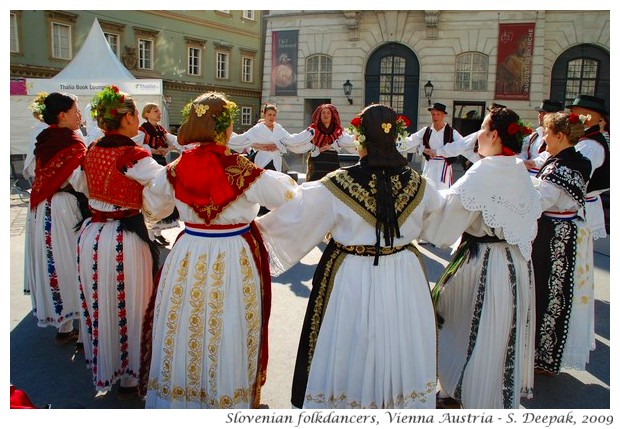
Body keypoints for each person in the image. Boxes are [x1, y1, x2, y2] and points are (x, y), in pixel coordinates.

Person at [257, 103, 443, 409]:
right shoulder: (419, 184)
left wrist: (251, 234)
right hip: (405, 273)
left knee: (351, 341)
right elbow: (441, 222)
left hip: (351, 274)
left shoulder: (338, 184)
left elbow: (298, 216)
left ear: (361, 140)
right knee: (400, 340)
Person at [144, 92, 299, 409]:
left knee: (186, 319)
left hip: (188, 250)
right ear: (226, 128)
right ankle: (225, 395)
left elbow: (153, 207)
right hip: (233, 253)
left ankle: (183, 396)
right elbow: (287, 194)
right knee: (228, 321)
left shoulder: (174, 169)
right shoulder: (242, 169)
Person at [426, 105, 542, 409]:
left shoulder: (484, 170)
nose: (477, 136)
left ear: (493, 134)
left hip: (484, 263)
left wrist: (422, 208)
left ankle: (461, 388)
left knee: (460, 321)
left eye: (482, 129)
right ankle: (478, 390)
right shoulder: (517, 168)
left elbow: (449, 212)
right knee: (497, 333)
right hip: (515, 264)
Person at [77, 85, 174, 399]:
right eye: (134, 114)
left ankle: (110, 367)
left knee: (102, 303)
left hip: (92, 235)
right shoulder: (132, 155)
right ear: (130, 118)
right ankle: (131, 377)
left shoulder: (92, 148)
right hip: (123, 238)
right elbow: (163, 184)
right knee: (134, 305)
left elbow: (81, 183)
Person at [23, 92, 89, 345]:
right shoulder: (72, 141)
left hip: (41, 207)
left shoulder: (43, 138)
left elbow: (30, 170)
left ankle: (63, 325)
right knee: (73, 262)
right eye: (75, 111)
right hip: (64, 207)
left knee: (53, 262)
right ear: (62, 115)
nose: (79, 116)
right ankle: (83, 333)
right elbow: (80, 181)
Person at [530, 112, 592, 375]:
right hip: (568, 229)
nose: (543, 136)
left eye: (546, 132)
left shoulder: (559, 168)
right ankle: (546, 354)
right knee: (560, 293)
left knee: (548, 292)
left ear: (560, 136)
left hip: (554, 236)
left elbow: (539, 202)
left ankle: (543, 356)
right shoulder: (580, 161)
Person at [133, 102, 183, 246]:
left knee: (159, 197)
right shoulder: (143, 130)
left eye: (159, 111)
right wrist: (153, 150)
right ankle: (150, 235)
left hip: (159, 163)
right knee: (150, 197)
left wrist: (178, 145)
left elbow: (171, 139)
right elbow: (136, 146)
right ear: (147, 113)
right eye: (155, 111)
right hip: (147, 165)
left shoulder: (160, 129)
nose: (159, 113)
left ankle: (157, 233)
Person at [567, 94, 610, 241]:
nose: (570, 116)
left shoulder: (590, 145)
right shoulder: (583, 140)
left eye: (574, 112)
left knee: (579, 254)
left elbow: (578, 178)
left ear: (589, 116)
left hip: (583, 208)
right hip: (580, 205)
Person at [279, 103, 356, 181]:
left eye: (328, 113)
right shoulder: (314, 129)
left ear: (332, 115)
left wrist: (332, 146)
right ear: (320, 115)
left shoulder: (337, 130)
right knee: (316, 183)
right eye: (323, 113)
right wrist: (283, 140)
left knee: (333, 185)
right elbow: (299, 139)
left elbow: (348, 141)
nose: (326, 115)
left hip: (332, 162)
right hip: (318, 162)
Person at [399, 102, 464, 190]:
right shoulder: (426, 131)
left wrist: (440, 152)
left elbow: (462, 146)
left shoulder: (452, 132)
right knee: (427, 191)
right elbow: (409, 142)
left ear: (443, 115)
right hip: (429, 167)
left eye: (438, 114)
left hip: (443, 169)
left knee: (443, 194)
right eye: (433, 114)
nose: (435, 117)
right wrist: (421, 149)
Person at [228, 103, 291, 173]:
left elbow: (289, 140)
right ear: (264, 115)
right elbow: (244, 139)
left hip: (276, 160)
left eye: (274, 115)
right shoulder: (258, 128)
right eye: (269, 115)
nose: (272, 117)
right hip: (262, 159)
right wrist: (261, 146)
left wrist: (277, 146)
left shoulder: (278, 128)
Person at [521, 99, 564, 175]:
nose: (539, 116)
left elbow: (553, 156)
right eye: (539, 112)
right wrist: (523, 161)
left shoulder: (561, 138)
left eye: (543, 113)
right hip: (527, 176)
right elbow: (521, 151)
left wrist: (532, 163)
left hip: (546, 178)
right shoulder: (534, 136)